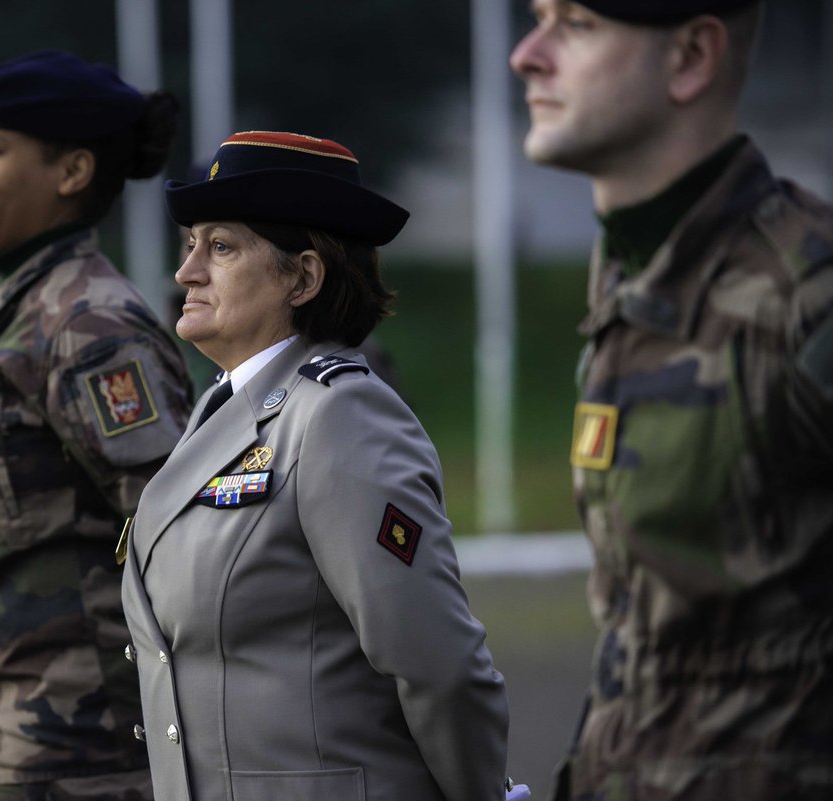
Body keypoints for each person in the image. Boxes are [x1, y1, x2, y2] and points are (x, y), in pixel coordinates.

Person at [120, 130, 510, 801]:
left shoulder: (340, 417)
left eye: (221, 246)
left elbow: (436, 661)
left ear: (303, 276)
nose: (186, 271)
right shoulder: (223, 407)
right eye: (191, 245)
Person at [510, 2, 833, 799]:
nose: (527, 54)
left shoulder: (806, 295)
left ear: (691, 55)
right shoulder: (632, 278)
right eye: (536, 17)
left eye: (576, 24)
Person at [0, 50, 194, 801]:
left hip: (86, 756)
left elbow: (175, 537)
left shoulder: (88, 326)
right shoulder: (18, 313)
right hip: (12, 744)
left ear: (71, 172)